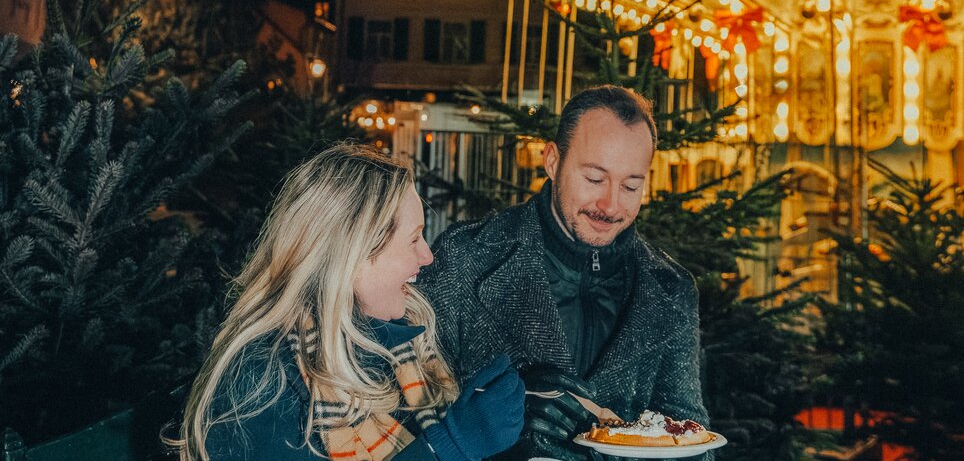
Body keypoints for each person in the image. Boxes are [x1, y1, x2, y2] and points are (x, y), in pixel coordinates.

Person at [175, 144, 525, 461]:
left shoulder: (397, 347)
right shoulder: (261, 380)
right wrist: (451, 445)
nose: (427, 256)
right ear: (353, 254)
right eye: (414, 239)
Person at [419, 85, 711, 460]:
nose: (610, 204)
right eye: (594, 179)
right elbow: (403, 411)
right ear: (553, 161)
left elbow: (692, 446)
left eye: (630, 186)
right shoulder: (465, 257)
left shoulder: (670, 290)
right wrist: (499, 415)